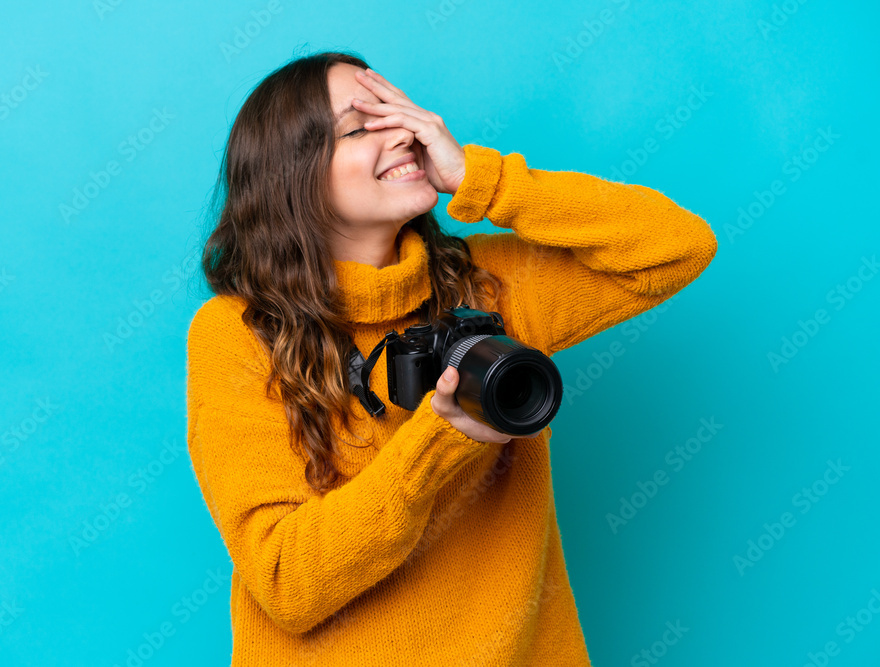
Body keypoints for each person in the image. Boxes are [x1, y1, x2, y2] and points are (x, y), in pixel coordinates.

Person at [186, 50, 717, 666]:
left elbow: (678, 246)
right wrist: (440, 441)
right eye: (361, 127)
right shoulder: (239, 334)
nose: (404, 134)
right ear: (290, 174)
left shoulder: (487, 286)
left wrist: (481, 181)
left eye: (400, 114)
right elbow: (286, 584)